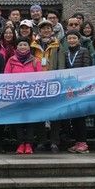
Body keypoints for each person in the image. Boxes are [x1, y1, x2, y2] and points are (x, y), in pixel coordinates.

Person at [4, 36, 42, 154]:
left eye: (25, 44)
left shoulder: (35, 61)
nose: (22, 47)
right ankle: (20, 144)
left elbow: (40, 78)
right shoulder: (11, 60)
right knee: (18, 121)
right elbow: (6, 76)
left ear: (29, 46)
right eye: (20, 45)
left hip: (31, 96)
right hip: (16, 96)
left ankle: (29, 144)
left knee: (30, 120)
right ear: (17, 47)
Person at [58, 30, 92, 154]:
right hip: (69, 89)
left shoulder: (84, 51)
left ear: (79, 39)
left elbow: (87, 69)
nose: (71, 40)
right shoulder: (65, 53)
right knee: (73, 117)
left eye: (74, 38)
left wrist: (82, 86)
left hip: (81, 89)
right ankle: (77, 142)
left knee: (80, 117)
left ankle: (83, 142)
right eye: (69, 38)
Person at [30, 19, 61, 153]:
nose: (46, 30)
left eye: (48, 28)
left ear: (52, 30)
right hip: (38, 83)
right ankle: (41, 141)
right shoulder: (33, 45)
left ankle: (54, 142)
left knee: (54, 114)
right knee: (39, 114)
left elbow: (61, 64)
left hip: (53, 82)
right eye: (43, 29)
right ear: (39, 31)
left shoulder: (57, 45)